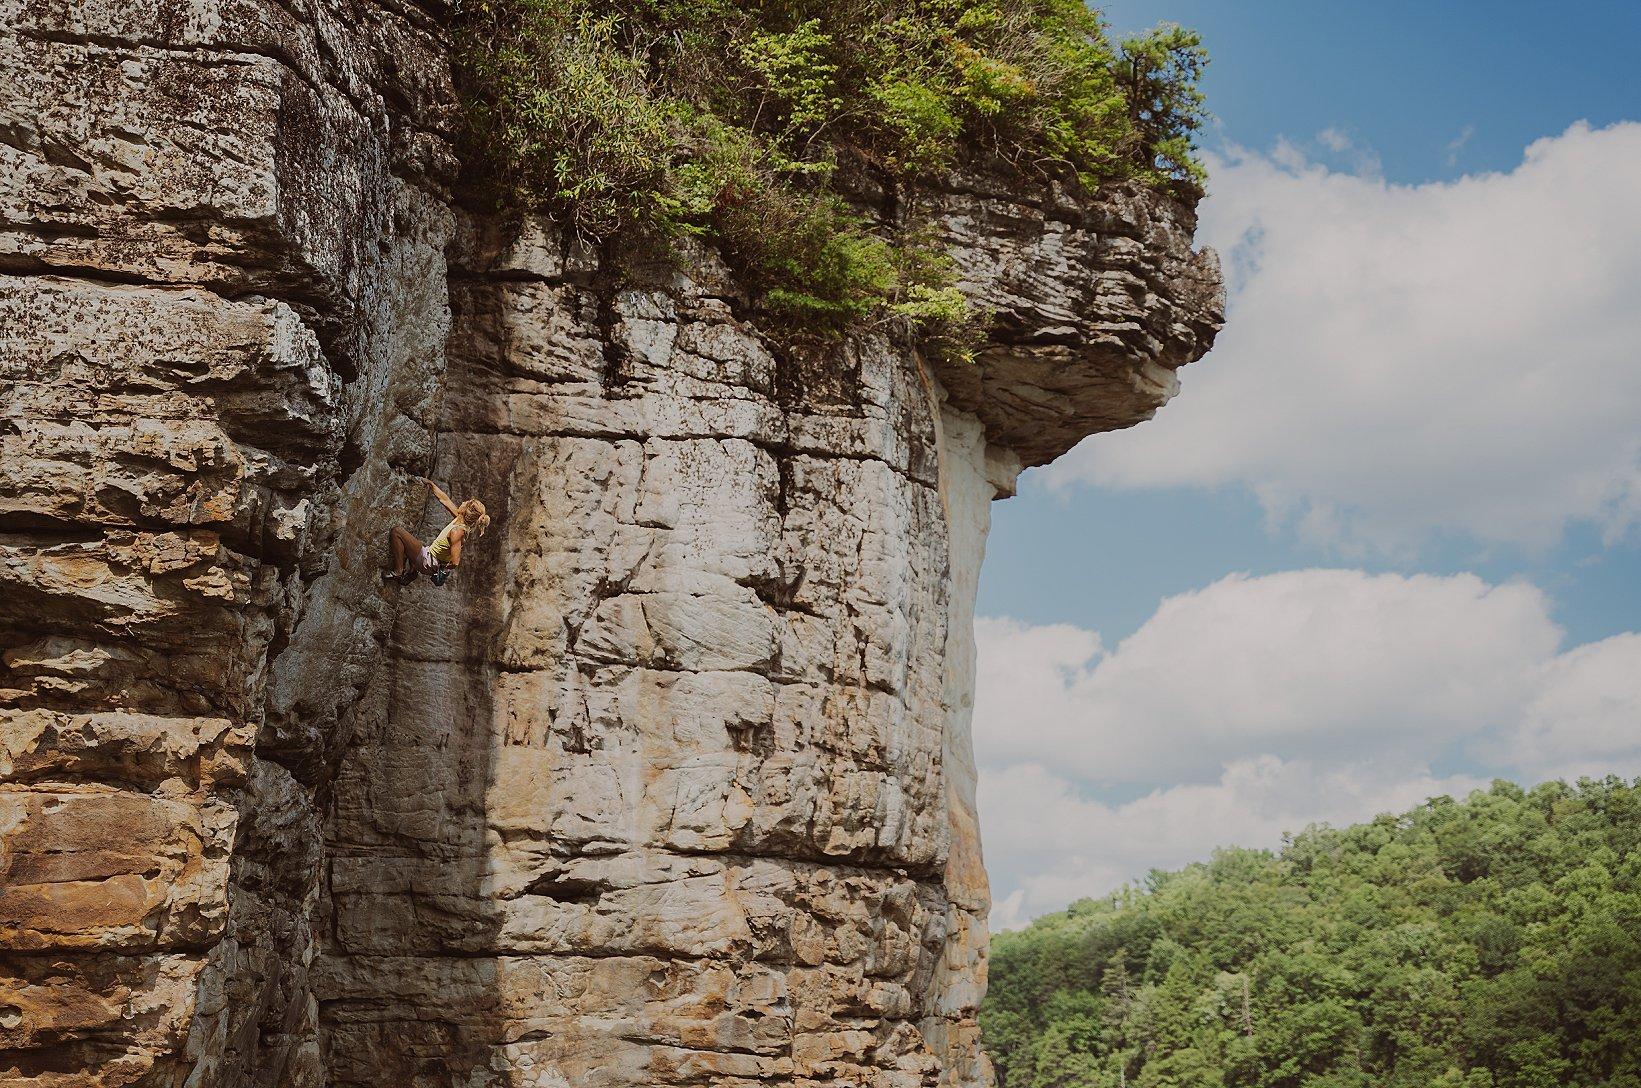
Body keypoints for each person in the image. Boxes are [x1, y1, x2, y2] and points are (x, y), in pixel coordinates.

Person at [383, 477, 490, 586]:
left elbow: (455, 562)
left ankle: (398, 571)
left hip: (428, 561)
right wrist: (431, 484)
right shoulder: (460, 519)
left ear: (466, 511)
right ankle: (413, 569)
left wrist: (443, 570)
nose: (462, 502)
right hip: (429, 556)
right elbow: (445, 500)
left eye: (465, 503)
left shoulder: (458, 532)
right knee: (412, 543)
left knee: (397, 532)